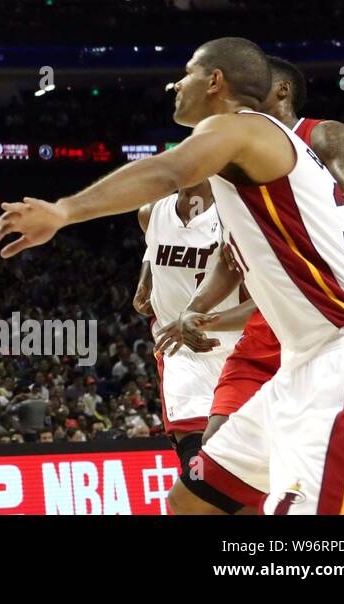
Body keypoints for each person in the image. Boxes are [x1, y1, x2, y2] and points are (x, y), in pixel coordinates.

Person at [0, 37, 344, 515]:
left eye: (185, 72)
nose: (174, 83)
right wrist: (196, 307)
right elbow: (232, 257)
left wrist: (63, 210)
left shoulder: (241, 129)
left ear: (215, 80)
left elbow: (169, 170)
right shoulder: (256, 165)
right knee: (192, 502)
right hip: (302, 361)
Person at [162, 55, 344, 512]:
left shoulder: (321, 136)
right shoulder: (230, 156)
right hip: (269, 330)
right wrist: (198, 305)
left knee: (310, 481)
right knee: (210, 470)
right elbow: (230, 254)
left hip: (330, 321)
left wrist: (308, 208)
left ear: (282, 91)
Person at [131, 180, 237, 480]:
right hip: (181, 357)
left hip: (233, 351)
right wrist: (145, 281)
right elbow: (153, 249)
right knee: (198, 475)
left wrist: (198, 318)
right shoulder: (150, 213)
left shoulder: (231, 215)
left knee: (238, 474)